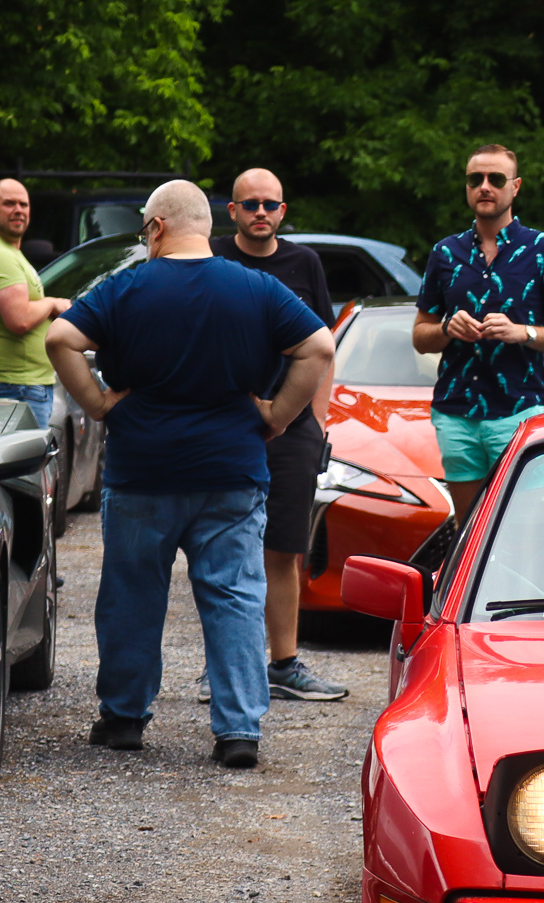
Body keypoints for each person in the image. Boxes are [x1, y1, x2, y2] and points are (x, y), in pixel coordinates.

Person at [46, 180, 334, 769]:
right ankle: (238, 732)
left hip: (141, 472)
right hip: (231, 469)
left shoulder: (124, 287)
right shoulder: (257, 287)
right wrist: (278, 415)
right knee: (233, 596)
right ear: (207, 225)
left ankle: (124, 718)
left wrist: (100, 405)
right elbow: (320, 349)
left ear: (155, 228)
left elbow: (60, 338)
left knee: (132, 594)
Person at [207, 167, 348, 703]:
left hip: (292, 429)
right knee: (219, 545)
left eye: (270, 204)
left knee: (284, 549)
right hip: (227, 422)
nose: (260, 212)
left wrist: (314, 419)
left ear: (283, 212)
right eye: (249, 204)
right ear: (233, 212)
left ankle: (283, 664)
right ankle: (222, 665)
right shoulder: (214, 257)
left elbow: (323, 347)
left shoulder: (303, 262)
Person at [411, 144, 544, 523]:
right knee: (468, 528)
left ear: (515, 187)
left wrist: (523, 333)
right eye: (476, 179)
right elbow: (420, 337)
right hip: (456, 411)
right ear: (467, 187)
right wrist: (446, 328)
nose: (485, 187)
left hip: (517, 410)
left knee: (523, 526)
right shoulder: (445, 252)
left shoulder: (542, 250)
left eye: (496, 179)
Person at [0, 178, 69, 427]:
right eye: (9, 203)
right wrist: (52, 304)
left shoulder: (7, 251)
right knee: (24, 466)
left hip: (21, 386)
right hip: (16, 388)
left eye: (23, 204)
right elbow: (19, 319)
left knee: (27, 465)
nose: (18, 210)